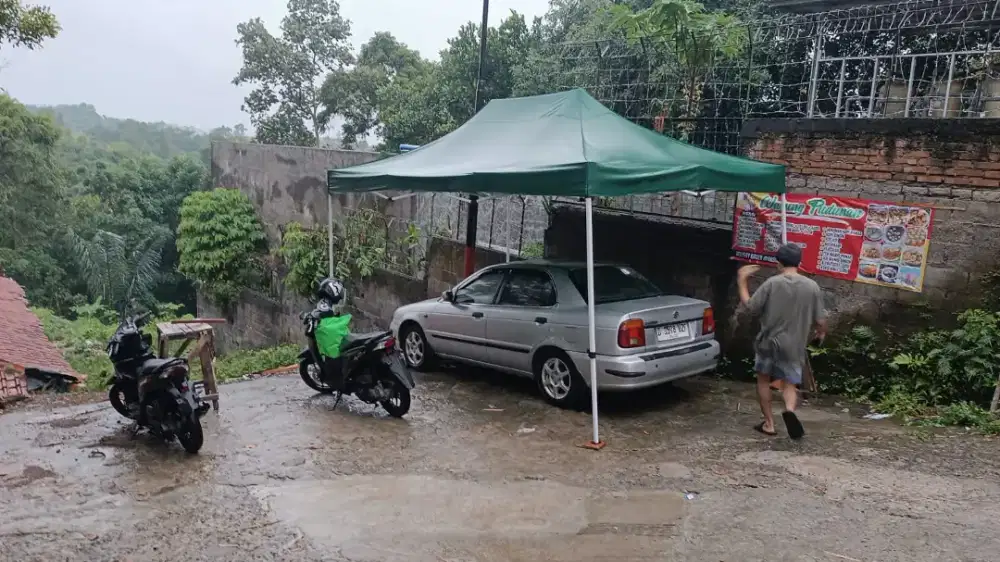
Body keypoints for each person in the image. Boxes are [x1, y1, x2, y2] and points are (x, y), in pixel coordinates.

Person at [737, 243, 826, 439]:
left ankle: (769, 424)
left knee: (763, 380)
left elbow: (751, 308)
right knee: (790, 383)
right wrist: (820, 334)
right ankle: (789, 410)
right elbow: (821, 320)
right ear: (799, 262)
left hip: (768, 343)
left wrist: (742, 280)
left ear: (778, 263)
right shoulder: (812, 287)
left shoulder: (771, 284)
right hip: (794, 345)